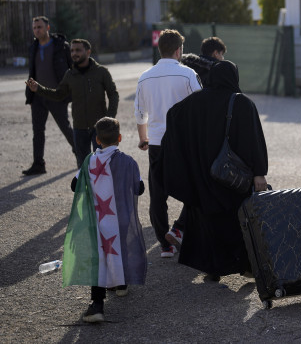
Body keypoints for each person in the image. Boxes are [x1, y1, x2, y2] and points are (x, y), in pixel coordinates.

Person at [158, 60, 267, 281]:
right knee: (237, 222)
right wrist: (259, 172)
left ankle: (213, 268)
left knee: (207, 222)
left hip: (202, 176)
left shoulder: (194, 102)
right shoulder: (242, 103)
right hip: (233, 179)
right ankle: (244, 265)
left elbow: (172, 115)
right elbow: (253, 141)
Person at [63, 117, 146, 323]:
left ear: (97, 140)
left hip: (97, 220)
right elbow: (140, 188)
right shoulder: (129, 162)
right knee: (120, 248)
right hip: (121, 219)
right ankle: (122, 285)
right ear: (119, 138)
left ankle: (97, 304)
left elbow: (75, 186)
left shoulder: (89, 161)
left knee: (98, 258)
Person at [134, 29, 202, 258]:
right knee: (195, 187)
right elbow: (200, 106)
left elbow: (140, 113)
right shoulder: (188, 74)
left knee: (158, 193)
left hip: (156, 142)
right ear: (178, 50)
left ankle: (165, 244)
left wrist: (143, 138)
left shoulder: (145, 76)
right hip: (182, 142)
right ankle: (179, 229)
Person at [26, 39, 118, 167]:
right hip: (79, 128)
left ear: (88, 52)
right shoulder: (70, 74)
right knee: (83, 167)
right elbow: (58, 94)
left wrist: (109, 118)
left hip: (99, 128)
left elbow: (113, 94)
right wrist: (39, 89)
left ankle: (103, 188)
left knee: (102, 166)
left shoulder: (101, 72)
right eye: (72, 50)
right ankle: (85, 188)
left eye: (78, 50)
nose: (74, 53)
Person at [23, 16, 74, 176]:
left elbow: (72, 69)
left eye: (39, 27)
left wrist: (70, 92)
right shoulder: (34, 47)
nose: (37, 30)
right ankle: (39, 164)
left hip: (56, 95)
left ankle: (82, 156)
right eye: (34, 28)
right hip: (38, 95)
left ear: (48, 28)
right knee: (37, 130)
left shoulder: (61, 46)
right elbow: (32, 71)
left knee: (65, 127)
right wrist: (30, 95)